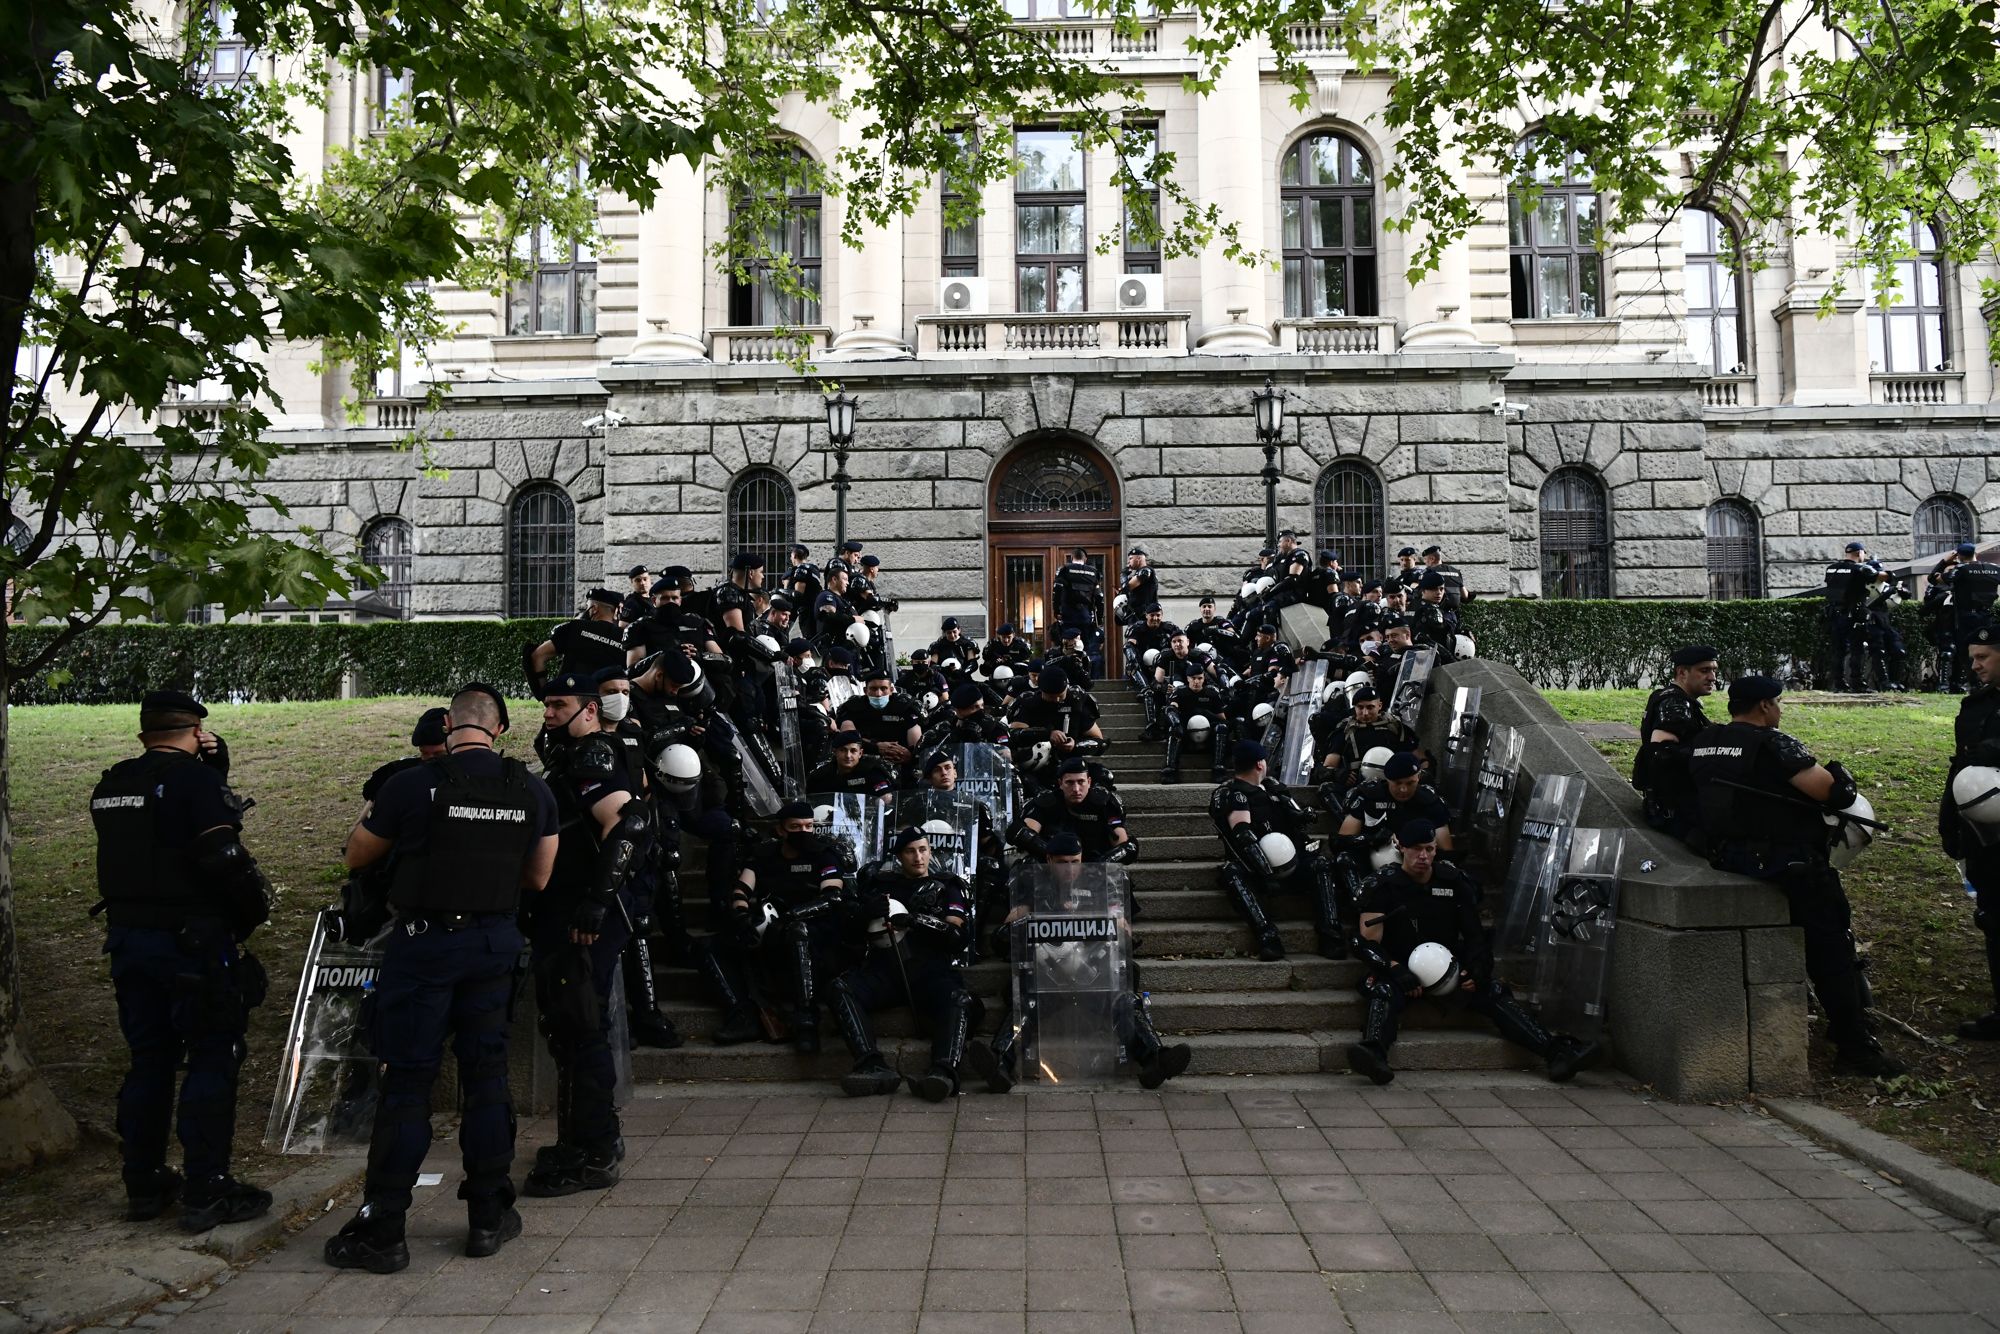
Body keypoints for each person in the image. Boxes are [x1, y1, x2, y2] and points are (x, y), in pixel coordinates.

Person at [323, 685, 560, 1272]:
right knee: (487, 1078)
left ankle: (384, 1228)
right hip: (493, 945)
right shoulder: (531, 789)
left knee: (407, 1083)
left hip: (425, 944)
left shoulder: (410, 785)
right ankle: (487, 1215)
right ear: (500, 729)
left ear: (450, 726)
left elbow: (356, 855)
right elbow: (539, 878)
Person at [92, 690, 274, 1233]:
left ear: (143, 734)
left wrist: (212, 773)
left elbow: (157, 836)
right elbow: (221, 853)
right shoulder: (195, 783)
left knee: (149, 1059)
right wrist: (251, 912)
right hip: (191, 942)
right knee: (214, 1054)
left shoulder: (112, 784)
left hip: (129, 939)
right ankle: (206, 1186)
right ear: (197, 732)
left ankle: (143, 1180)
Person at [1688, 675, 1905, 1076]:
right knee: (1832, 949)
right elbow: (1832, 793)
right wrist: (1840, 774)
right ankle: (1854, 1047)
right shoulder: (1773, 743)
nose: (1780, 710)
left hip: (1727, 857)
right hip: (1786, 863)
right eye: (1778, 703)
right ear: (1765, 706)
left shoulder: (1705, 742)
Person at [1346, 819, 1600, 1086]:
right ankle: (1374, 1053)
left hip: (1448, 968)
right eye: (1416, 849)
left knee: (1493, 991)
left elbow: (1475, 936)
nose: (1423, 856)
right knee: (1382, 991)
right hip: (1400, 969)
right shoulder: (1383, 885)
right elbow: (1365, 942)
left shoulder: (1453, 881)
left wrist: (1477, 968)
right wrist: (1394, 968)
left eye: (1429, 849)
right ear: (1402, 848)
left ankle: (1557, 1053)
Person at [527, 672, 654, 1194]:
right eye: (547, 704)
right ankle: (591, 1137)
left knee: (580, 1028)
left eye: (559, 705)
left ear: (589, 710)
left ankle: (594, 1151)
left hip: (583, 916)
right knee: (574, 1027)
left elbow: (628, 823)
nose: (549, 713)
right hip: (571, 911)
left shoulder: (592, 755)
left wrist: (597, 903)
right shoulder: (575, 754)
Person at [965, 832, 1192, 1093]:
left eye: (1075, 861)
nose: (1070, 869)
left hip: (1093, 974)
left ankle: (1156, 1059)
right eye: (1063, 863)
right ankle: (999, 1063)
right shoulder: (1035, 884)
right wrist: (1023, 923)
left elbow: (1122, 927)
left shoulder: (1098, 882)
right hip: (1047, 975)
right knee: (1025, 1003)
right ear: (1049, 860)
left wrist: (1118, 927)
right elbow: (1005, 933)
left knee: (1125, 1002)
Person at [832, 828, 976, 1101]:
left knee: (959, 999)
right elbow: (848, 933)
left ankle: (943, 1073)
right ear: (899, 856)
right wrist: (865, 913)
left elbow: (957, 936)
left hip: (929, 971)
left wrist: (917, 921)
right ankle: (872, 1066)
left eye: (923, 850)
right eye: (910, 851)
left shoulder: (947, 885)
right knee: (841, 988)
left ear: (930, 852)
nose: (918, 857)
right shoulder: (879, 884)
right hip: (884, 971)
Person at [1210, 740, 1347, 962]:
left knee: (1321, 865)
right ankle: (1268, 936)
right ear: (1260, 764)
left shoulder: (1272, 786)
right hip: (1254, 867)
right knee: (1231, 873)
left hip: (1292, 856)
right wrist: (1265, 871)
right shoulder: (1234, 793)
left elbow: (1294, 813)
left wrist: (1304, 815)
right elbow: (1242, 833)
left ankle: (1331, 935)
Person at [732, 801, 851, 1053]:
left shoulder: (824, 854)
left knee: (799, 931)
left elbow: (832, 897)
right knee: (714, 945)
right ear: (781, 830)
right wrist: (742, 916)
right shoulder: (764, 855)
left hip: (815, 932)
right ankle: (741, 1014)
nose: (803, 832)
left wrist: (791, 917)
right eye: (796, 827)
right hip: (771, 930)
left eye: (808, 826)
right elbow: (741, 890)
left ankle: (806, 1021)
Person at [1943, 622, 2000, 1041]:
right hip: (1986, 833)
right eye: (1972, 659)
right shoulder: (1975, 705)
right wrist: (1950, 820)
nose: (1975, 665)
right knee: (1994, 918)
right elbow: (1961, 766)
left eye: (1984, 657)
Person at [1633, 645, 1719, 841]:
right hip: (1675, 814)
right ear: (1682, 672)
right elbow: (1662, 756)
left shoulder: (1667, 696)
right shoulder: (1675, 704)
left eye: (1714, 670)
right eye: (1704, 670)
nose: (1712, 677)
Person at [1011, 758, 1135, 865]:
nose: (1076, 789)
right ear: (1060, 783)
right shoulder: (1047, 802)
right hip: (1055, 866)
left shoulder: (1104, 803)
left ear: (1089, 782)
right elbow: (1024, 833)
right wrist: (1051, 852)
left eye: (1081, 782)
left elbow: (1122, 845)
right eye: (1069, 782)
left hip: (1095, 868)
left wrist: (1102, 864)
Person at [526, 588, 628, 696]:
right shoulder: (626, 638)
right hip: (609, 700)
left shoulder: (574, 628)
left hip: (570, 697)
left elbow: (537, 655)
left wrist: (545, 694)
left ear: (594, 609)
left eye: (587, 607)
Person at [835, 667, 924, 777]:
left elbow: (917, 744)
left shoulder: (905, 707)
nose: (878, 694)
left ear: (891, 690)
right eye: (873, 689)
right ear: (865, 691)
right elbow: (847, 738)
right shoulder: (853, 708)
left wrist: (909, 755)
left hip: (900, 763)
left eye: (883, 688)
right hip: (863, 763)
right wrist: (876, 747)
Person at [1822, 542, 1875, 691]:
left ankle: (1838, 683)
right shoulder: (1859, 569)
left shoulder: (1831, 568)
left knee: (1838, 650)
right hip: (1853, 614)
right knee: (1857, 649)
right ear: (1859, 553)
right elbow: (1877, 578)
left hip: (1833, 614)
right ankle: (1857, 683)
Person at [807, 733, 896, 799]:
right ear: (835, 752)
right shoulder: (822, 775)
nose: (848, 755)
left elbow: (887, 796)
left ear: (860, 753)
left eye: (853, 751)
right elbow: (810, 799)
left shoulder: (872, 772)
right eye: (843, 750)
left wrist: (881, 801)